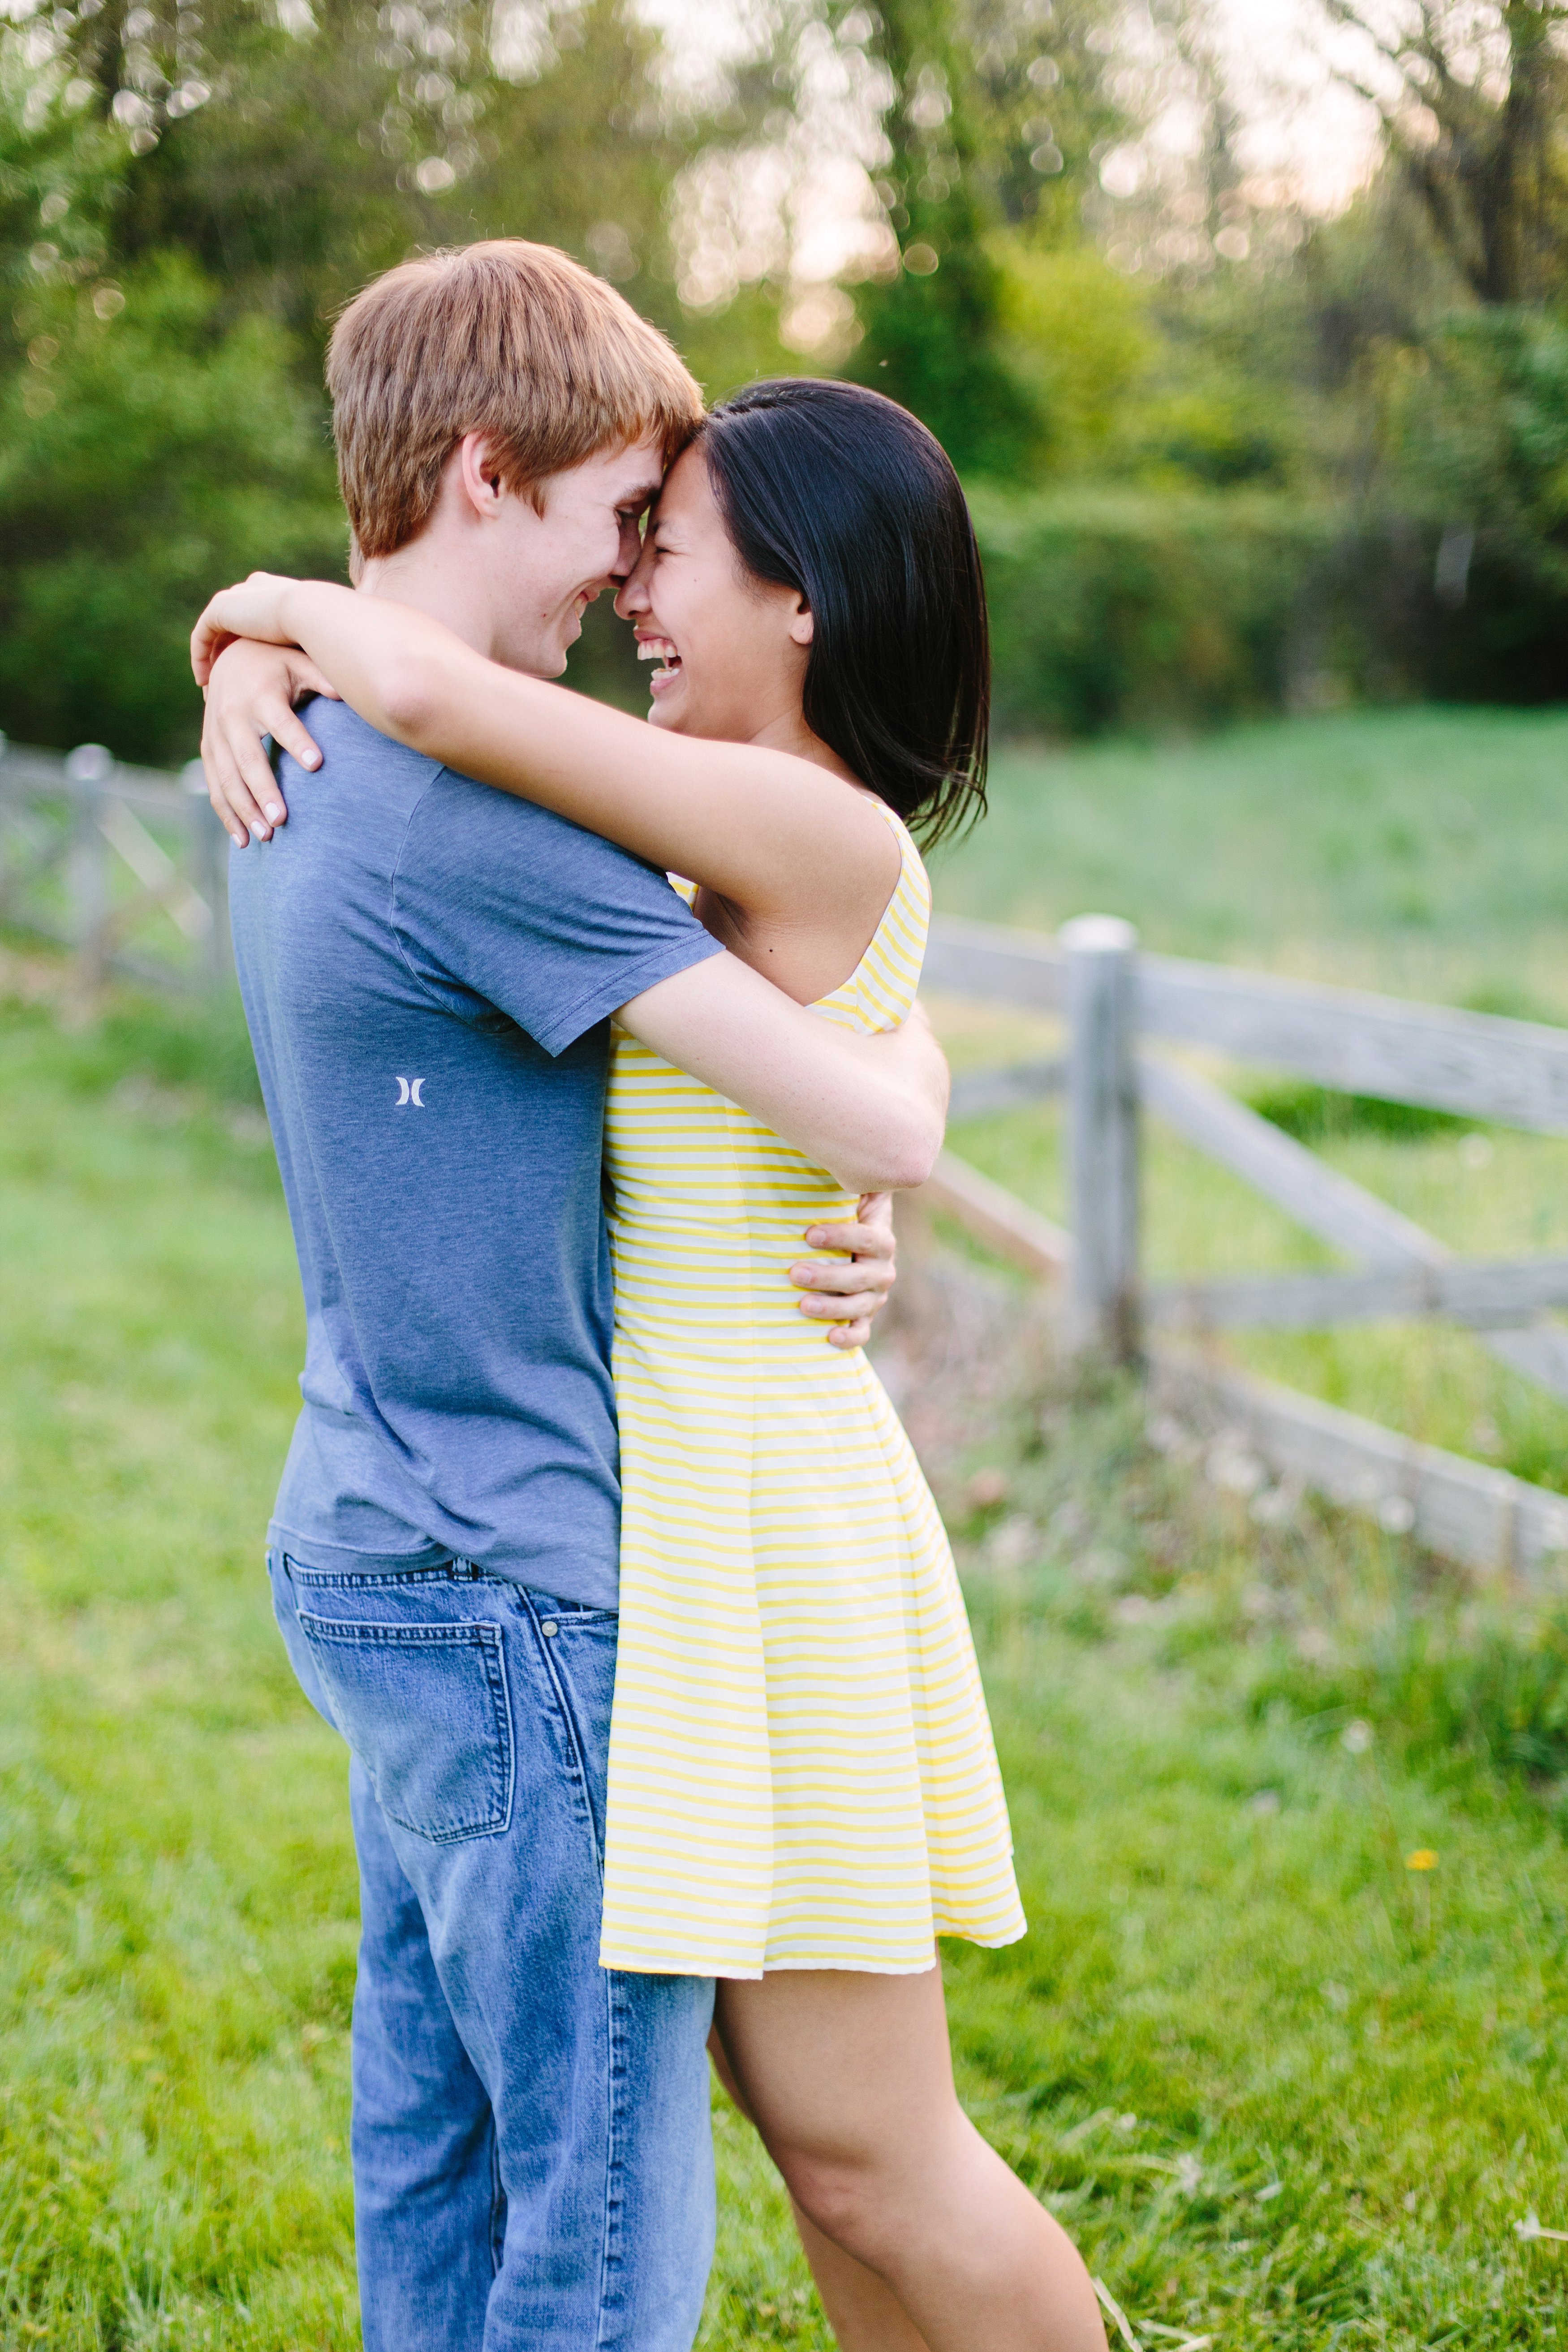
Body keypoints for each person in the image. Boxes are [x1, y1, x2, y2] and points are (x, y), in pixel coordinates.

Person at [197, 353, 1108, 2349]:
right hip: (675, 1509)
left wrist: (252, 614)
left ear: (800, 598)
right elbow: (833, 1038)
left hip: (763, 1520)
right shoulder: (726, 834)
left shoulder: (793, 819)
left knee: (881, 2148)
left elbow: (436, 701)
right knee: (821, 2154)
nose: (627, 593)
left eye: (664, 551)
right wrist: (250, 663)